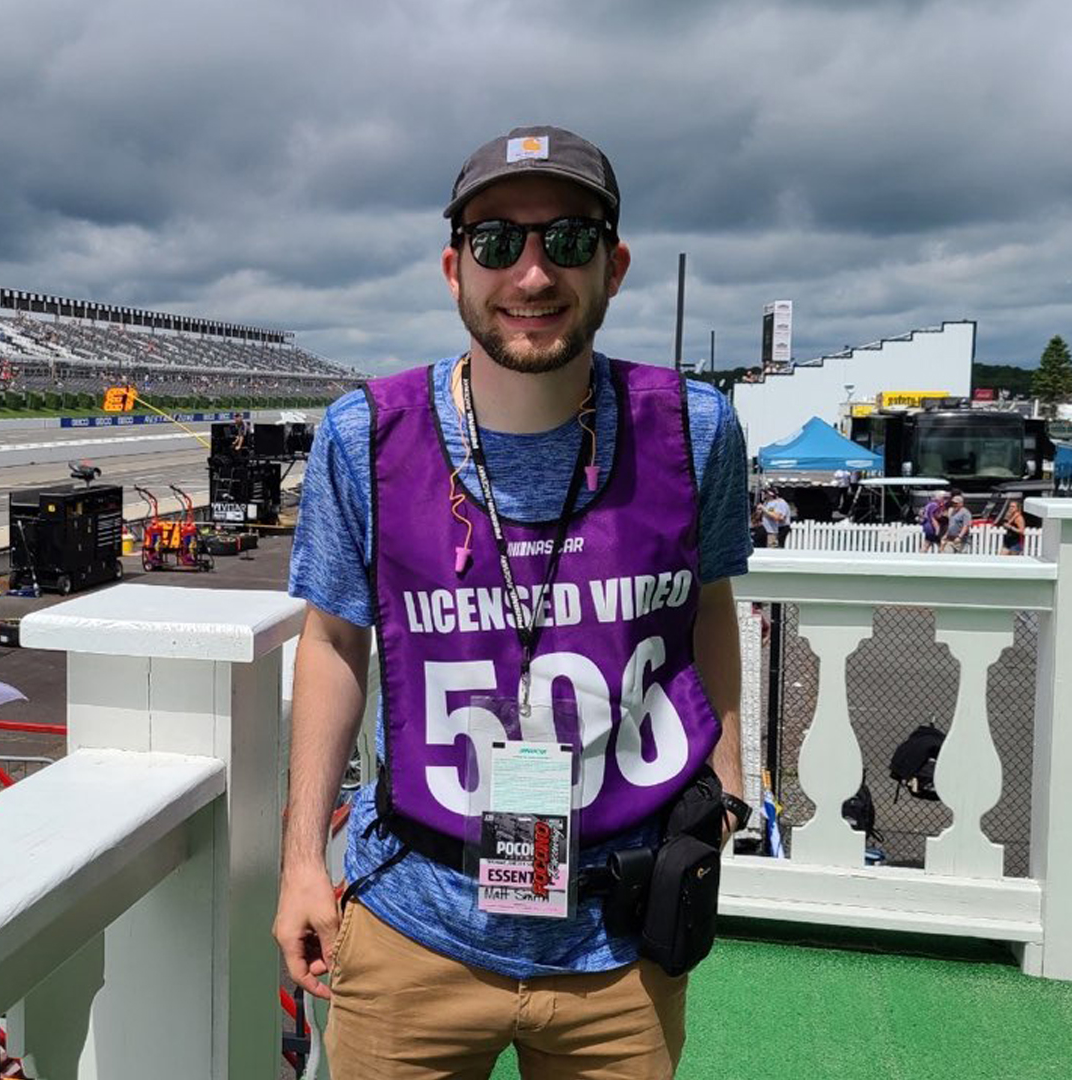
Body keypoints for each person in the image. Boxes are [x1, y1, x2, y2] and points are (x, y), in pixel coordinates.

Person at [275, 125, 752, 1079]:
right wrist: (298, 863)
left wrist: (733, 787)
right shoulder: (365, 435)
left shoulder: (695, 429)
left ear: (613, 267)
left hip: (622, 935)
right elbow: (332, 645)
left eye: (567, 241)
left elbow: (707, 605)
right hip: (413, 920)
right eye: (499, 242)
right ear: (454, 267)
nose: (532, 275)